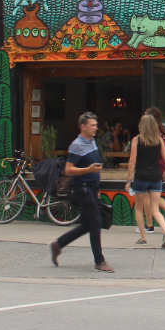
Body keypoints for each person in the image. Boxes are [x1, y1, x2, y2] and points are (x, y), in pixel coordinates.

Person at [50, 112, 113, 272]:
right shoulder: (77, 145)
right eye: (92, 125)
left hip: (92, 188)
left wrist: (97, 187)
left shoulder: (92, 142)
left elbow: (95, 167)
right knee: (96, 223)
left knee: (88, 224)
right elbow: (68, 169)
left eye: (95, 125)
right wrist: (88, 170)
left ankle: (58, 244)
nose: (95, 128)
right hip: (82, 188)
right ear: (83, 126)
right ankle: (99, 260)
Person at [126, 113, 165, 249]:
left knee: (139, 208)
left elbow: (132, 161)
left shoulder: (137, 140)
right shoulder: (159, 140)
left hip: (141, 178)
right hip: (156, 177)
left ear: (141, 125)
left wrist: (129, 180)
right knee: (155, 210)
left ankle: (143, 237)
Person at [140, 106, 165, 231]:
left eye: (146, 114)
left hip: (153, 167)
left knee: (148, 196)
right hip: (158, 166)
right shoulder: (161, 131)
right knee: (152, 196)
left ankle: (151, 224)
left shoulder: (153, 133)